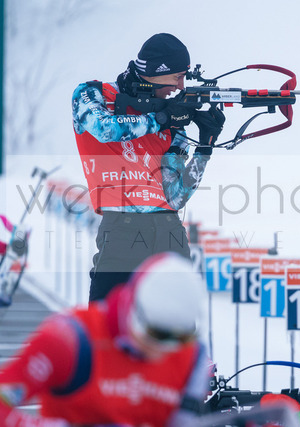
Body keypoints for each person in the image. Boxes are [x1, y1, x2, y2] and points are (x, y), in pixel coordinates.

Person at [71, 33, 225, 301]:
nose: (180, 86)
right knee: (107, 322)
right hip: (121, 230)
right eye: (177, 76)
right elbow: (105, 129)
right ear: (156, 72)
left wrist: (204, 148)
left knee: (179, 325)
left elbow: (175, 197)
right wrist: (162, 118)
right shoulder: (92, 93)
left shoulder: (172, 123)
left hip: (170, 232)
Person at [0, 252, 210, 427]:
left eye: (180, 339)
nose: (162, 349)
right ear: (133, 309)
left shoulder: (192, 358)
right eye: (154, 335)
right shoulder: (69, 339)